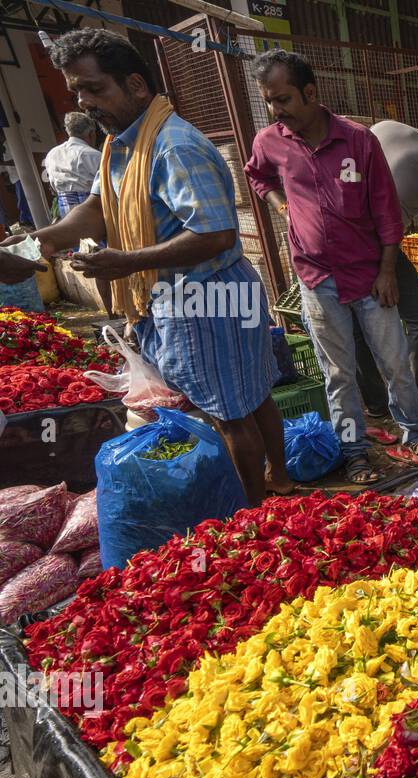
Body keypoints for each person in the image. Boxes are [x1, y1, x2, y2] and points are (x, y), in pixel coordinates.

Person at [11, 28, 288, 503]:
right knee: (250, 394)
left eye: (95, 88)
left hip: (207, 295)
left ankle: (253, 511)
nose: (83, 102)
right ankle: (277, 481)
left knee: (231, 412)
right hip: (190, 293)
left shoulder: (173, 146)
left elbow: (215, 233)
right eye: (77, 90)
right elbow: (98, 208)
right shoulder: (121, 145)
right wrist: (36, 246)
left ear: (136, 85)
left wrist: (127, 262)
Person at [244, 49, 418, 483]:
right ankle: (354, 451)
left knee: (395, 364)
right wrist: (281, 207)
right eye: (270, 102)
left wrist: (388, 270)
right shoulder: (269, 142)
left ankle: (414, 434)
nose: (278, 111)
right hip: (316, 280)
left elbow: (387, 210)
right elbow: (257, 176)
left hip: (370, 277)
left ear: (310, 93)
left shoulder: (358, 140)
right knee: (338, 375)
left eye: (284, 99)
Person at [365, 118, 418, 402]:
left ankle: (375, 403)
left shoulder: (390, 127)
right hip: (378, 241)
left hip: (350, 235)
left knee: (359, 322)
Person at [42, 111, 118, 322]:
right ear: (91, 133)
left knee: (93, 262)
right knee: (105, 261)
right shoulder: (93, 155)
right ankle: (116, 312)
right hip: (93, 211)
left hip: (68, 212)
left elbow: (53, 187)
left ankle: (112, 313)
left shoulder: (53, 154)